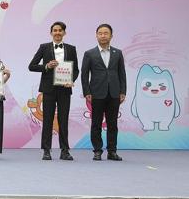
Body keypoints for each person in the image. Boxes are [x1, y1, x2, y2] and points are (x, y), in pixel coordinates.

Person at [28, 21, 79, 161]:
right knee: (48, 119)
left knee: (63, 119)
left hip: (65, 89)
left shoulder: (71, 49)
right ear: (51, 33)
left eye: (60, 30)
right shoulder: (44, 47)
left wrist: (71, 80)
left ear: (64, 33)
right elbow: (31, 66)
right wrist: (47, 66)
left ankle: (65, 150)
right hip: (48, 89)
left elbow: (75, 70)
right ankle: (46, 150)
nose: (57, 32)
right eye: (55, 30)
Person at [81, 23, 127, 161]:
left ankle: (112, 151)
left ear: (111, 36)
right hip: (96, 93)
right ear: (96, 35)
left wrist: (123, 91)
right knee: (96, 123)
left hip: (114, 93)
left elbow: (122, 73)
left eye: (106, 33)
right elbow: (84, 74)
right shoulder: (89, 53)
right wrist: (86, 92)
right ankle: (97, 150)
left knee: (112, 124)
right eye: (100, 33)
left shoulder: (118, 53)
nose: (103, 35)